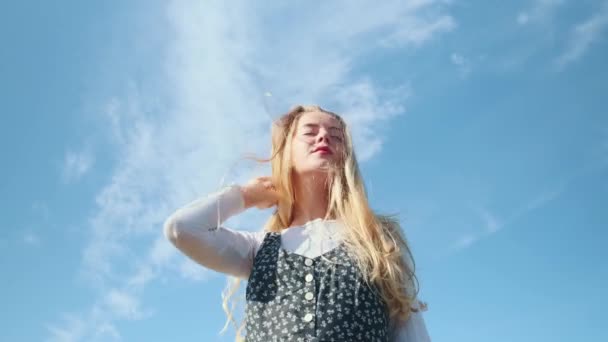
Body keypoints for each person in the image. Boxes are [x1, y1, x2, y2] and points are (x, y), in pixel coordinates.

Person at [164, 105, 431, 341]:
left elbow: (411, 331)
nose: (324, 136)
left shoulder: (378, 239)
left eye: (336, 135)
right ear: (287, 151)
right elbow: (182, 229)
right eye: (310, 131)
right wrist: (246, 196)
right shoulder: (258, 249)